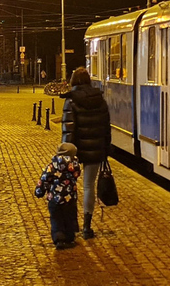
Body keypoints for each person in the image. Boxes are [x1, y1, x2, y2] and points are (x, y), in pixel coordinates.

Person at [60, 67, 112, 239]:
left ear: (73, 81)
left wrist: (66, 153)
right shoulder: (100, 100)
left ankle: (71, 225)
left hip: (75, 150)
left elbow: (68, 130)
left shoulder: (71, 101)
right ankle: (87, 227)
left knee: (70, 186)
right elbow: (106, 128)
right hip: (95, 150)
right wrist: (105, 149)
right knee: (89, 186)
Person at [34, 142, 81, 250]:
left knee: (56, 218)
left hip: (54, 199)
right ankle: (69, 238)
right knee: (69, 218)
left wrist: (39, 191)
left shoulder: (51, 167)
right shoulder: (75, 167)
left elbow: (44, 180)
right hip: (70, 199)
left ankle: (59, 239)